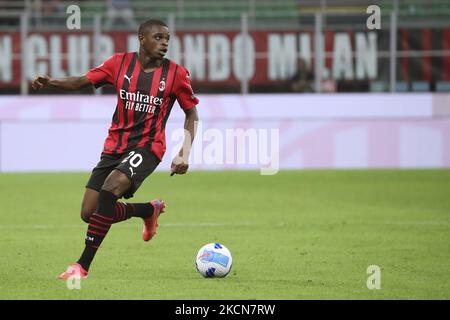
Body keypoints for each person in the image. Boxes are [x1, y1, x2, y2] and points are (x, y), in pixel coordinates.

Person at [32, 19, 199, 279]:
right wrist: (51, 81)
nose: (165, 42)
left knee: (111, 187)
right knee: (90, 213)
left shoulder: (176, 74)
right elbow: (80, 82)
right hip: (114, 146)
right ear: (142, 39)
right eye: (158, 37)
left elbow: (191, 113)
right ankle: (147, 210)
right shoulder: (118, 63)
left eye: (167, 38)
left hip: (148, 146)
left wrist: (185, 151)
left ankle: (82, 266)